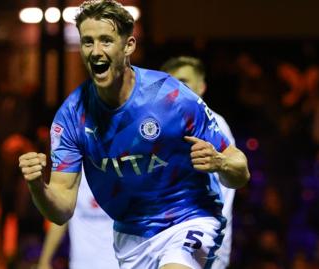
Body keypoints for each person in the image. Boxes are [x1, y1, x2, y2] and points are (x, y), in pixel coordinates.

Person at [18, 1, 250, 268]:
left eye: (106, 41)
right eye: (87, 42)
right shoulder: (71, 117)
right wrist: (38, 187)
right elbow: (61, 210)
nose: (95, 51)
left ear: (128, 45)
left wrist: (220, 163)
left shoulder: (172, 97)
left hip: (188, 219)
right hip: (131, 236)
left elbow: (240, 171)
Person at [161, 56, 236, 269]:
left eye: (184, 83)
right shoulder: (158, 127)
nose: (176, 90)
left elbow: (236, 176)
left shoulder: (215, 126)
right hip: (167, 240)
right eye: (170, 84)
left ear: (201, 87)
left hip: (205, 243)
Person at [38, 169, 118, 269]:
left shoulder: (120, 168)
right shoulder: (73, 170)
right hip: (81, 264)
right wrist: (44, 261)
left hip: (117, 263)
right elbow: (60, 220)